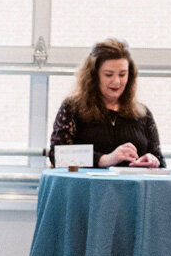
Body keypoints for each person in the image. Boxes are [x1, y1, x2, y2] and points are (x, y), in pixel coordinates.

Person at [49, 38, 164, 169]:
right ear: (94, 75)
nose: (116, 82)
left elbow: (160, 159)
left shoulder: (143, 113)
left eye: (122, 74)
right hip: (89, 188)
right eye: (108, 75)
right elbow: (57, 155)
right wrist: (105, 159)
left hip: (132, 187)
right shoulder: (72, 108)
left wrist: (152, 160)